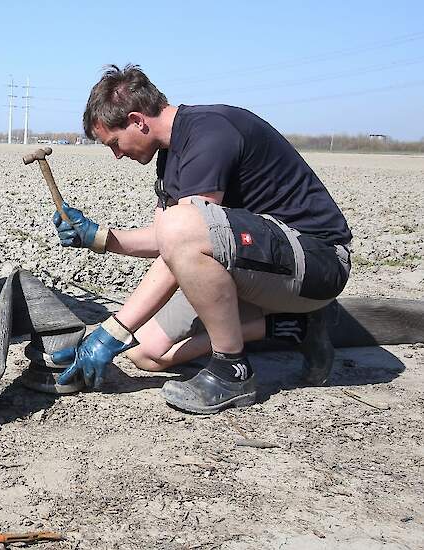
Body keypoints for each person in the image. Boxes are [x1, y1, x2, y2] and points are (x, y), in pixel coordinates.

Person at [51, 64, 352, 414]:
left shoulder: (209, 132)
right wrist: (100, 237)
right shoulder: (169, 157)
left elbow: (184, 235)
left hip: (317, 264)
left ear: (137, 120)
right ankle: (295, 327)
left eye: (115, 143)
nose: (118, 154)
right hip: (257, 265)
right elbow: (168, 243)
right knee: (145, 351)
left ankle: (232, 371)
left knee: (180, 229)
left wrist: (111, 329)